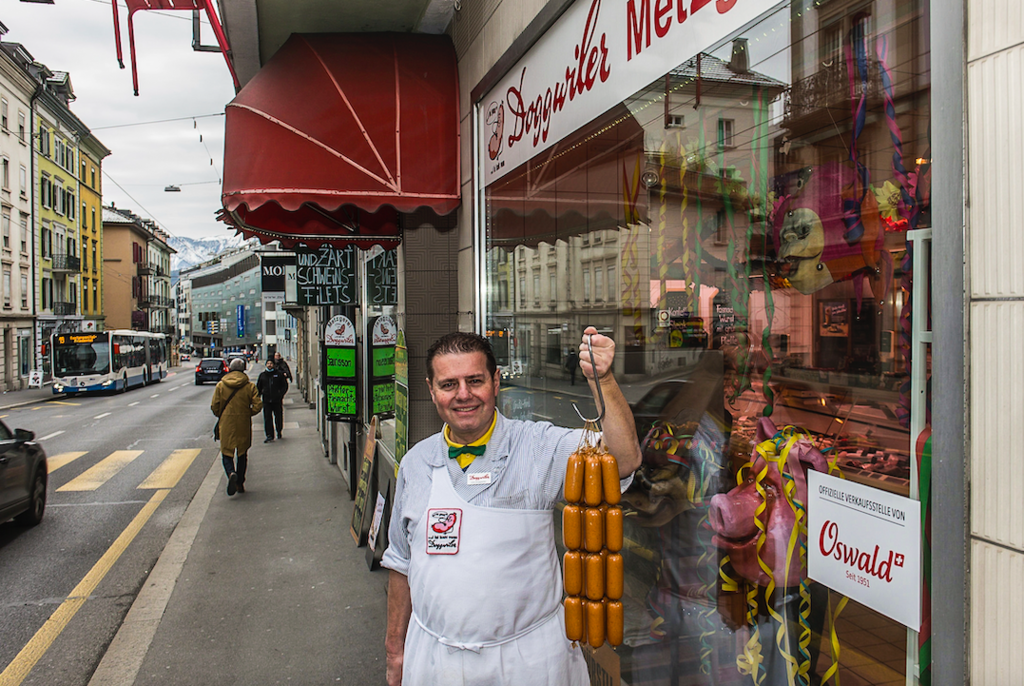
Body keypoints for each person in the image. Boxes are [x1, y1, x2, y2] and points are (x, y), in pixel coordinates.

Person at [382, 327, 642, 686]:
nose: (463, 395)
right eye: (448, 385)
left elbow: (624, 459)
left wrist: (605, 381)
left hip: (530, 662)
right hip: (434, 661)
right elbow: (400, 563)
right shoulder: (415, 463)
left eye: (475, 380)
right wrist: (396, 651)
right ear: (431, 390)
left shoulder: (537, 447)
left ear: (496, 382)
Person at [211, 358, 262, 496]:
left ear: (230, 369)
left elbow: (215, 406)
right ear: (244, 369)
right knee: (242, 452)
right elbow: (258, 405)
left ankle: (231, 473)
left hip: (226, 422)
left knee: (226, 452)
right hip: (243, 423)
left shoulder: (221, 385)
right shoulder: (249, 386)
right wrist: (247, 413)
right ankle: (239, 482)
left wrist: (222, 415)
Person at [257, 358, 287, 442]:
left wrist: (280, 394)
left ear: (273, 365)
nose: (269, 365)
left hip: (277, 400)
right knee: (267, 418)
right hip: (266, 400)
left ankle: (279, 430)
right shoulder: (263, 375)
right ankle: (269, 435)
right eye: (268, 363)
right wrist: (258, 397)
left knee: (278, 417)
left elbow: (284, 386)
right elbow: (258, 387)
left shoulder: (279, 374)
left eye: (271, 363)